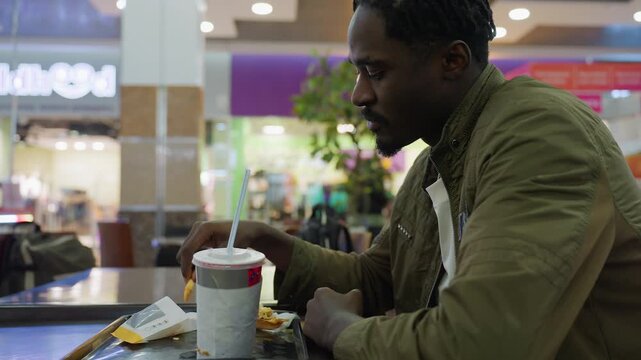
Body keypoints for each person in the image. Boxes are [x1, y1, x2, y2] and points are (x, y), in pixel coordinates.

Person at [177, 0, 641, 358]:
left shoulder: (539, 134)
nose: (359, 94)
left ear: (452, 61)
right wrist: (275, 244)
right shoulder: (435, 157)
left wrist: (344, 331)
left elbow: (483, 343)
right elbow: (381, 278)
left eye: (375, 71)